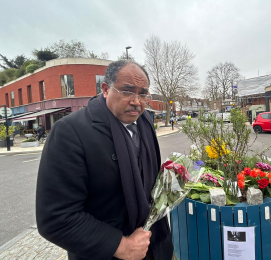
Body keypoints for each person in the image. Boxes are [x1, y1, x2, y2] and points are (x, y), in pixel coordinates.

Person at [36, 60, 173, 260]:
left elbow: (150, 186)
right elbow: (55, 218)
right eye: (127, 91)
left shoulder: (145, 122)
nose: (137, 101)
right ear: (106, 89)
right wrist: (121, 245)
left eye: (143, 93)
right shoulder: (70, 131)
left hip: (154, 248)